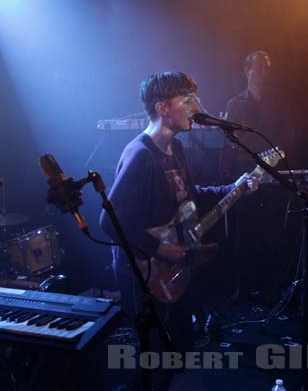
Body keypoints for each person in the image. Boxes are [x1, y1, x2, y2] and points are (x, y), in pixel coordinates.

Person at [99, 72, 258, 390]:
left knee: (179, 349)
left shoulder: (177, 150)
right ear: (162, 108)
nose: (195, 107)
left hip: (170, 268)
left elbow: (191, 195)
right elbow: (109, 221)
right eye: (187, 101)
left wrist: (235, 187)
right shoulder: (141, 155)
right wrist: (162, 249)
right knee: (157, 360)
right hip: (143, 271)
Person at [224, 51, 297, 302]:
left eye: (268, 67)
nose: (265, 72)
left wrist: (275, 153)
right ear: (247, 70)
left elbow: (288, 134)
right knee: (244, 231)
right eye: (260, 67)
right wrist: (261, 150)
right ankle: (243, 287)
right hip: (245, 171)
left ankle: (272, 288)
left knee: (273, 231)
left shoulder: (280, 100)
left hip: (275, 172)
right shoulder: (235, 104)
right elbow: (234, 140)